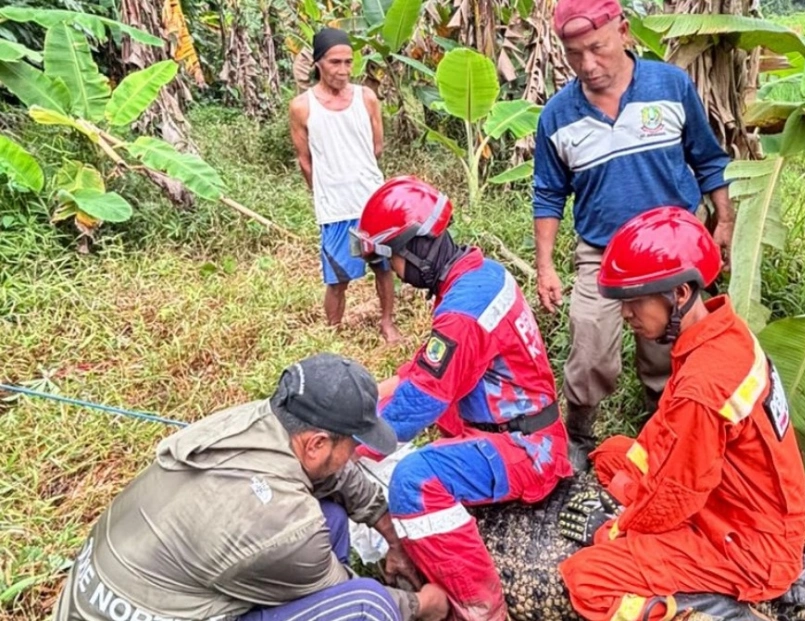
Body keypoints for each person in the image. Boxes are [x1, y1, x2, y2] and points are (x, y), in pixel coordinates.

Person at [54, 353, 449, 621]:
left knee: (331, 518)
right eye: (352, 444)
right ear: (316, 443)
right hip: (138, 607)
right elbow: (351, 596)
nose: (354, 455)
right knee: (370, 606)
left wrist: (392, 538)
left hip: (130, 580)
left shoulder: (265, 418)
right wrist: (421, 605)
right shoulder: (287, 527)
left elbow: (336, 474)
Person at [554, 208, 805, 621]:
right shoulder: (723, 333)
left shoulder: (702, 387)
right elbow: (666, 434)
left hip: (746, 545)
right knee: (614, 452)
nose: (625, 314)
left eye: (635, 302)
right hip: (738, 502)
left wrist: (612, 529)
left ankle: (721, 614)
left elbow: (675, 496)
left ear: (681, 294)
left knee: (587, 580)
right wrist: (629, 484)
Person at [350, 176, 574, 621]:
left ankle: (481, 609)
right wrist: (366, 399)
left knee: (412, 479)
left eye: (393, 258)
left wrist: (349, 445)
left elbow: (420, 402)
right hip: (520, 426)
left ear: (416, 248)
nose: (393, 270)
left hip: (527, 450)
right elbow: (424, 373)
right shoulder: (480, 275)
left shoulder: (462, 314)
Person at [533, 0, 735, 471]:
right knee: (590, 344)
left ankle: (665, 429)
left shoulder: (669, 86)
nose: (588, 65)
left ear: (623, 31)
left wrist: (723, 220)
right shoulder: (558, 117)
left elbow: (707, 159)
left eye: (597, 48)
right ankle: (579, 433)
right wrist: (544, 265)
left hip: (671, 251)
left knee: (670, 345)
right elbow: (548, 194)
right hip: (601, 253)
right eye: (574, 54)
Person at [290, 28, 401, 343]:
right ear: (318, 63)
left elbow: (377, 147)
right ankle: (333, 335)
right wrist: (325, 190)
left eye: (348, 62)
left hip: (372, 203)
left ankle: (387, 324)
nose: (342, 70)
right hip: (335, 208)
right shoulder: (302, 106)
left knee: (383, 267)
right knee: (337, 279)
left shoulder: (366, 98)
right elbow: (305, 160)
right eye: (334, 62)